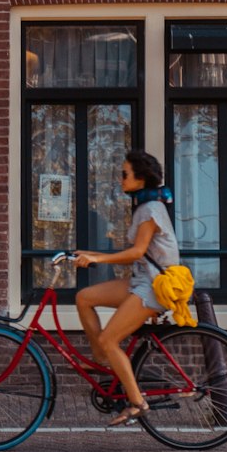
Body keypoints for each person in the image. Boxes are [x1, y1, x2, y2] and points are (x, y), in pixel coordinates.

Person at [73, 149, 180, 427]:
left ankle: (137, 403)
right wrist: (85, 253)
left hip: (155, 287)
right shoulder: (144, 207)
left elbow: (137, 251)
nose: (120, 179)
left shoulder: (151, 210)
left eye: (124, 174)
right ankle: (102, 359)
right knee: (84, 297)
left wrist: (97, 258)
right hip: (142, 281)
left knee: (110, 339)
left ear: (140, 178)